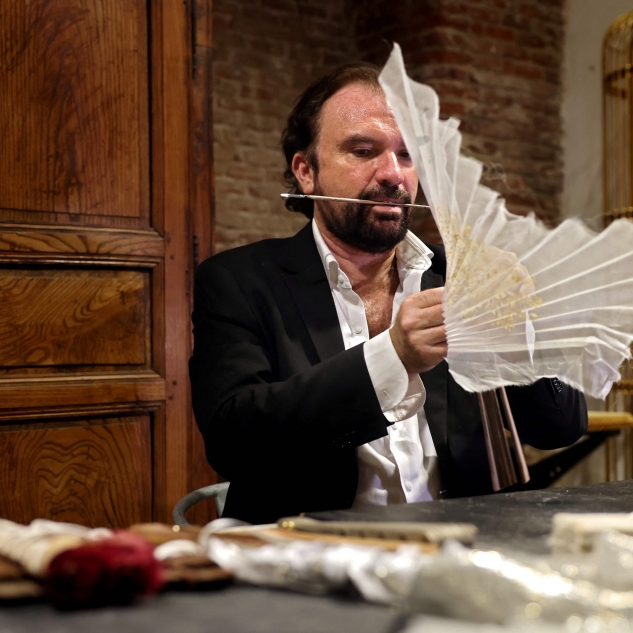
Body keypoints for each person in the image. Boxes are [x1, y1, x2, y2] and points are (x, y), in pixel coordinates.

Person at [190, 62, 587, 524]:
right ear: (305, 172)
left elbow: (560, 427)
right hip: (313, 557)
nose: (393, 174)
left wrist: (523, 326)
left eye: (407, 154)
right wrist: (395, 356)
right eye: (363, 150)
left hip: (458, 553)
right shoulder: (239, 279)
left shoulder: (458, 276)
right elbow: (235, 442)